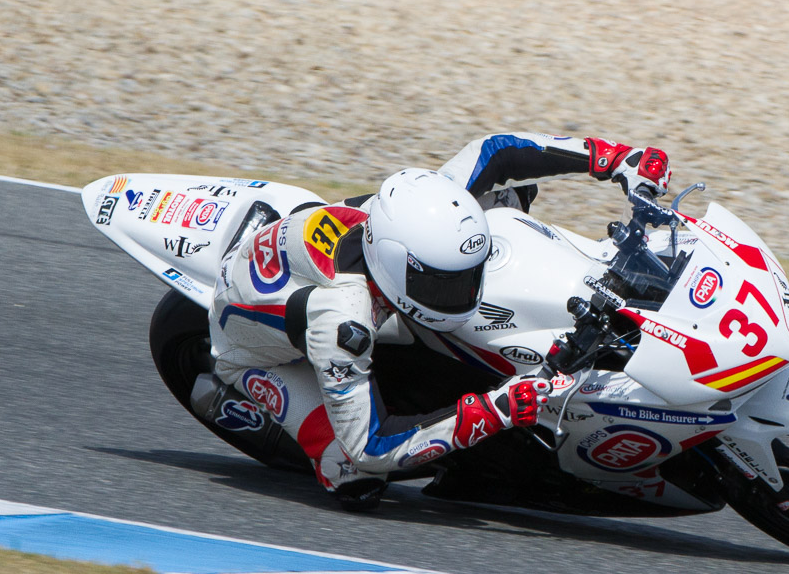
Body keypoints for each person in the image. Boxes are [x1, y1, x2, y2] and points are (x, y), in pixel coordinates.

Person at [208, 133, 671, 510]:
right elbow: (370, 446)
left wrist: (613, 159)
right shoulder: (343, 324)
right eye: (447, 284)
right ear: (397, 267)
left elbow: (497, 150)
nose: (466, 290)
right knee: (355, 477)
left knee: (510, 195)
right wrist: (496, 410)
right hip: (251, 348)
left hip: (310, 256)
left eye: (467, 277)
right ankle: (245, 390)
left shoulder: (415, 211)